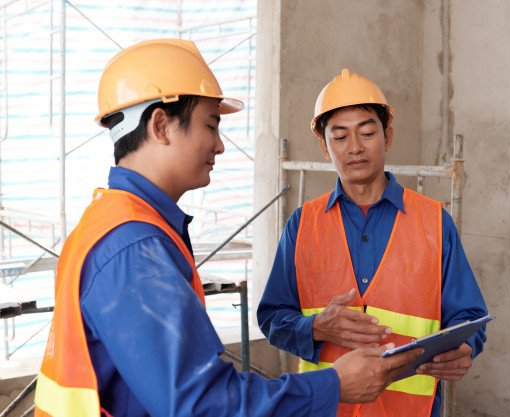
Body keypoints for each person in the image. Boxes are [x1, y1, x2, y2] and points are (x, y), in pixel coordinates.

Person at [33, 42, 423, 417]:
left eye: (367, 132)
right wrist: (331, 384)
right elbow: (202, 403)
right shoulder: (134, 245)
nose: (219, 145)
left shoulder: (120, 224)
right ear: (161, 125)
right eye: (210, 125)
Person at [257, 68, 489, 417]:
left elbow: (469, 315)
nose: (355, 148)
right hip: (327, 409)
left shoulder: (434, 221)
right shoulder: (302, 224)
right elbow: (273, 317)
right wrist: (316, 327)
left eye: (367, 132)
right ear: (324, 146)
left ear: (387, 136)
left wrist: (466, 347)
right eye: (339, 137)